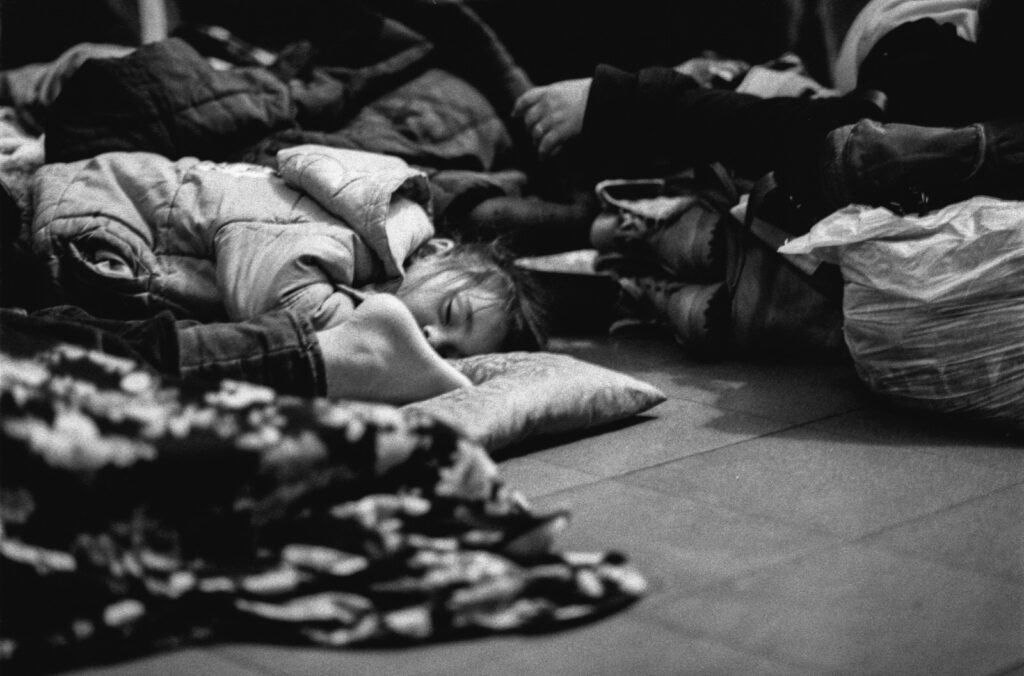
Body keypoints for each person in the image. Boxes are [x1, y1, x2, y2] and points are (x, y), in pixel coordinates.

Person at [3, 235, 547, 406]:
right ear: (434, 251)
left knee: (56, 331)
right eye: (449, 315)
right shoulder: (365, 236)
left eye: (448, 352)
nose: (435, 339)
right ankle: (344, 358)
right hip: (85, 236)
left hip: (99, 285)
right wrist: (334, 321)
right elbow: (270, 263)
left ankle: (345, 359)